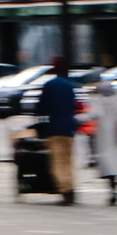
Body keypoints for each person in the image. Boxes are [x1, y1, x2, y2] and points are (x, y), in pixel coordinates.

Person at [35, 57, 81, 205]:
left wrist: (39, 127)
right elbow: (74, 106)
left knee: (57, 162)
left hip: (54, 128)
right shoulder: (69, 86)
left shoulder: (49, 85)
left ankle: (65, 191)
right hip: (68, 128)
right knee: (68, 160)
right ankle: (72, 188)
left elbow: (41, 108)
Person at [85, 74, 117, 206]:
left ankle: (111, 190)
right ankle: (115, 189)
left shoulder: (98, 99)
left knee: (107, 164)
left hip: (104, 134)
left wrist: (78, 118)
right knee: (115, 163)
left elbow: (96, 114)